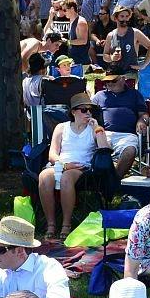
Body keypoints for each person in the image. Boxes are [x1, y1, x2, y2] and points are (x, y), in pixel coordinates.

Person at [37, 92, 110, 245]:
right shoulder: (61, 127)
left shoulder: (94, 129)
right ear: (73, 112)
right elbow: (52, 153)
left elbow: (104, 148)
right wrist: (63, 165)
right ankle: (51, 224)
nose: (88, 113)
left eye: (90, 110)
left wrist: (97, 127)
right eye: (84, 110)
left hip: (81, 167)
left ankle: (66, 224)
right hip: (61, 164)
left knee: (66, 178)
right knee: (44, 177)